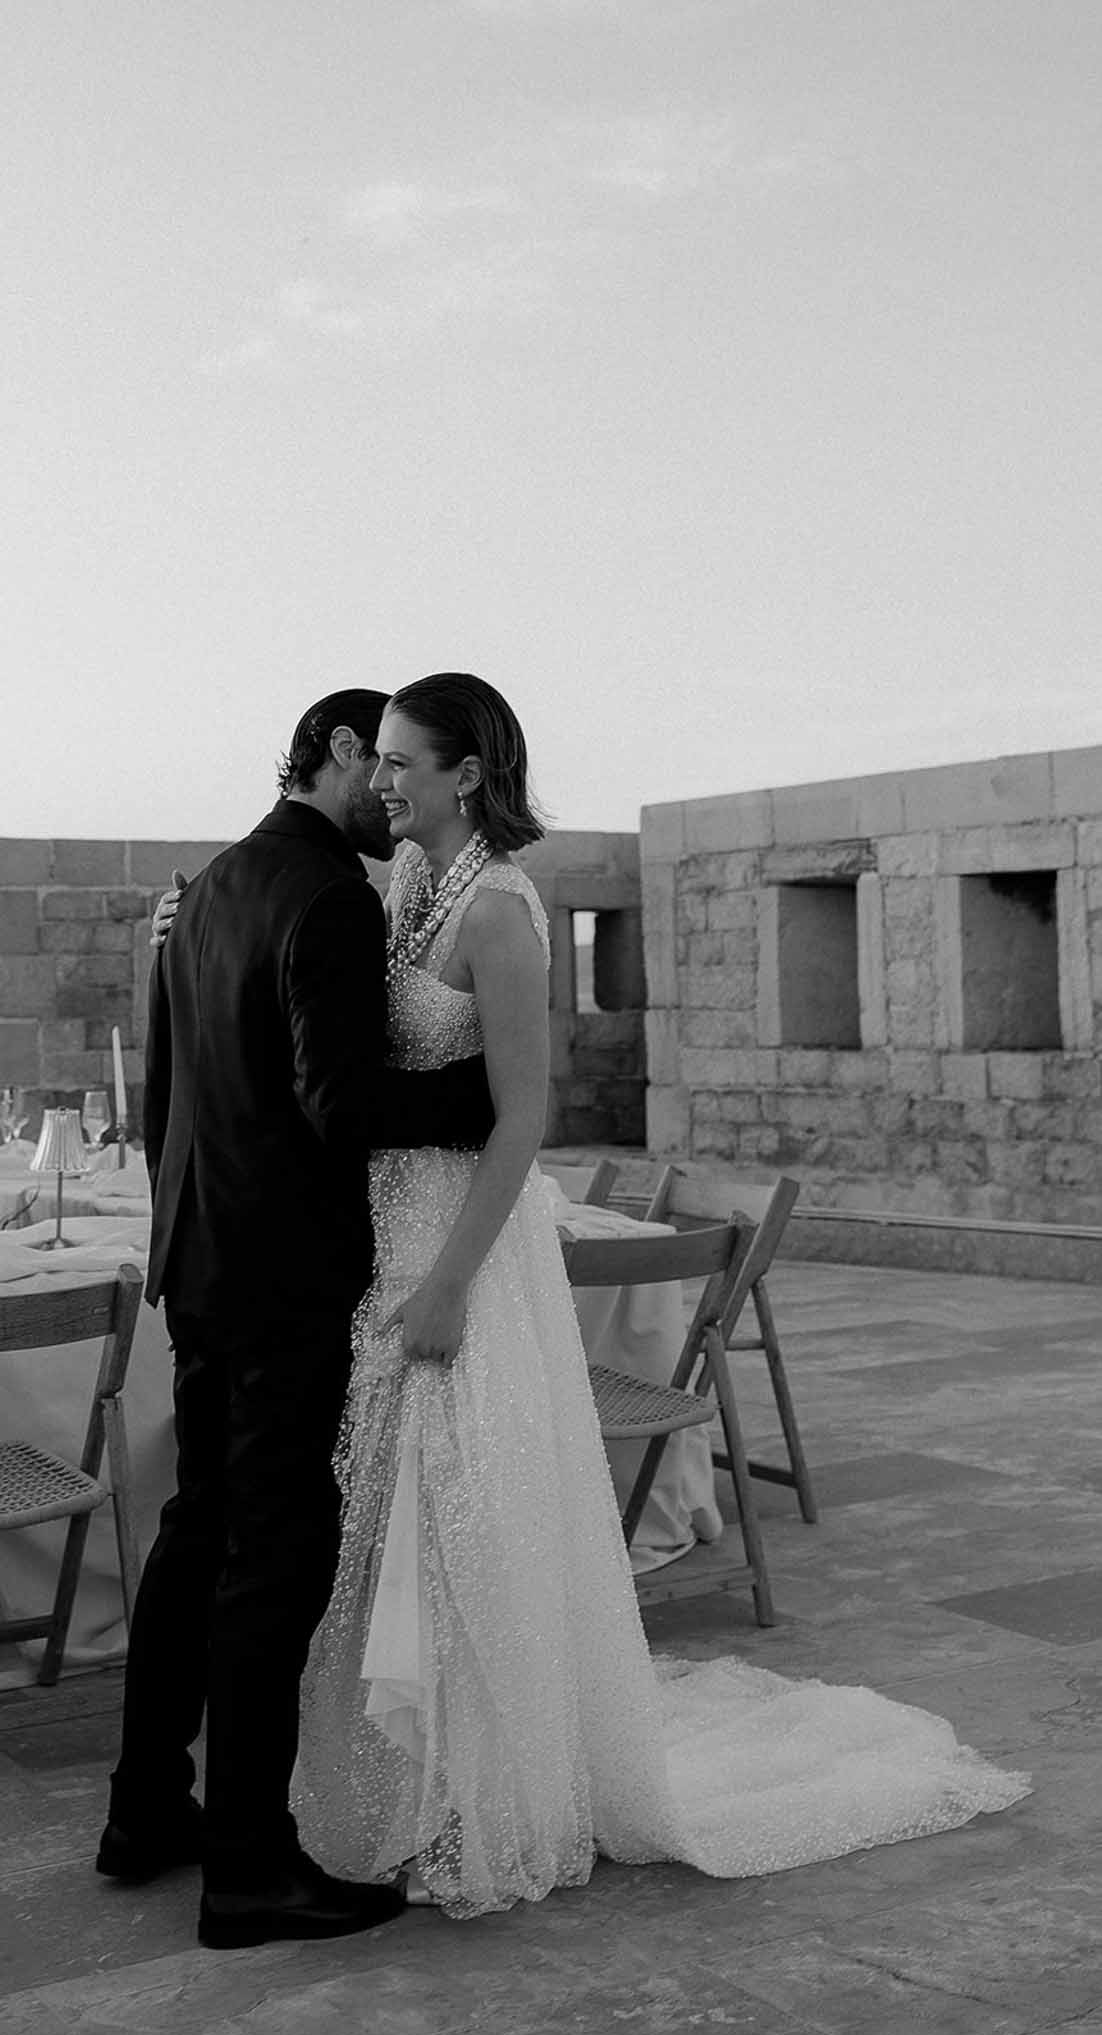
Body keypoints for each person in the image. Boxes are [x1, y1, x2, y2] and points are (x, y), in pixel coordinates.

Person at [153, 675, 1029, 1921]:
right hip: (376, 1243)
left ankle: (486, 1791)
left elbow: (522, 1119)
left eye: (400, 761)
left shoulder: (501, 909)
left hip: (452, 1254)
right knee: (380, 1530)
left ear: (466, 775)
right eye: (375, 759)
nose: (379, 779)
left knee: (463, 1517)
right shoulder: (400, 889)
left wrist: (450, 1281)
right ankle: (399, 1783)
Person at [99, 688, 496, 1951]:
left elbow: (164, 1091)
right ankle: (248, 1867)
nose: (386, 794)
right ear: (336, 749)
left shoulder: (210, 884)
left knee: (194, 1532)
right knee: (275, 1558)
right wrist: (480, 1092)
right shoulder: (326, 895)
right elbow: (342, 1104)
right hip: (280, 1277)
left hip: (197, 1257)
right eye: (377, 764)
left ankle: (144, 1809)